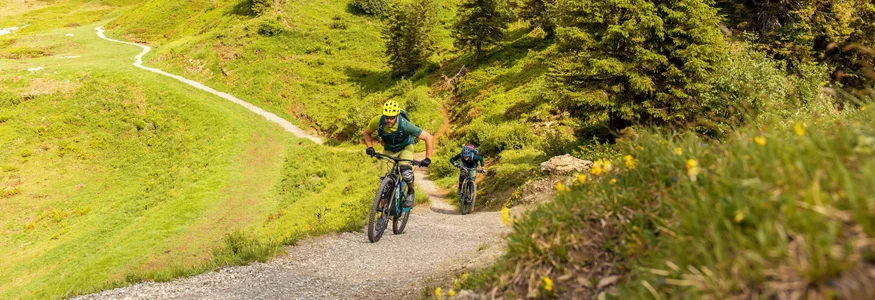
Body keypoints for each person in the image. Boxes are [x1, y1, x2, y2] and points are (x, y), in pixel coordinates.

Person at [363, 100, 434, 208]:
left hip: (405, 147)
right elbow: (366, 132)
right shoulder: (378, 121)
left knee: (406, 173)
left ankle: (411, 191)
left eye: (392, 117)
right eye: (386, 117)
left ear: (397, 115)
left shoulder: (405, 125)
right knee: (383, 187)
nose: (388, 120)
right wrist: (370, 147)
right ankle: (384, 213)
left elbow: (428, 137)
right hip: (389, 149)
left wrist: (428, 158)